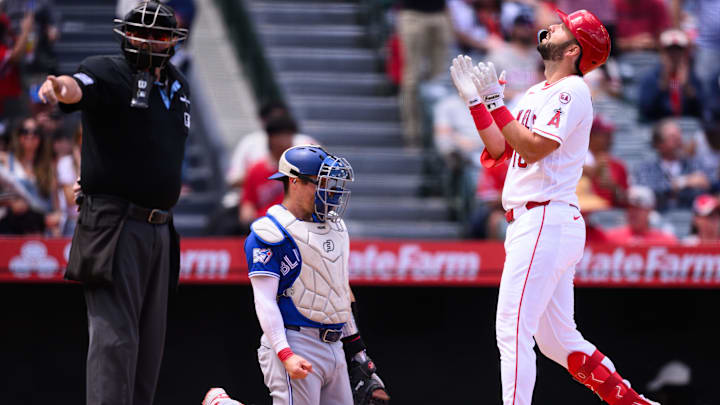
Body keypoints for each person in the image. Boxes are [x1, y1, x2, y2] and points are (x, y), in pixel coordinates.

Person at [449, 9, 660, 405]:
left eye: (563, 27)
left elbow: (534, 147)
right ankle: (632, 402)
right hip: (540, 220)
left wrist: (495, 100)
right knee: (557, 340)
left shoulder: (573, 90)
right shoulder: (534, 93)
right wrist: (478, 103)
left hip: (545, 215)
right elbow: (502, 148)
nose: (552, 27)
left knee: (512, 329)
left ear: (573, 49)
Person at [36, 2, 189, 404]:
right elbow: (77, 86)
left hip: (160, 228)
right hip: (116, 223)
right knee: (114, 344)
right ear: (126, 35)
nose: (150, 41)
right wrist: (58, 87)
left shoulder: (177, 86)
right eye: (142, 33)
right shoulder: (108, 69)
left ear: (173, 40)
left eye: (160, 34)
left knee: (148, 350)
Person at [239, 145, 389, 405]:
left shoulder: (335, 228)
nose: (329, 191)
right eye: (319, 183)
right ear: (294, 181)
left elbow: (339, 294)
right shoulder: (270, 231)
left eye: (330, 183)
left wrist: (359, 357)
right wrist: (285, 353)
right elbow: (264, 301)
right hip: (295, 339)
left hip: (335, 346)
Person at [398, 0, 452, 147]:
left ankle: (438, 133)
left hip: (440, 13)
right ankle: (412, 133)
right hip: (413, 13)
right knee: (412, 78)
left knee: (438, 80)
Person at [0, 115, 59, 235]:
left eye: (35, 132)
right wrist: (11, 203)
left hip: (40, 227)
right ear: (18, 136)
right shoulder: (6, 160)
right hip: (13, 227)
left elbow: (56, 207)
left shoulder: (48, 167)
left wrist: (55, 217)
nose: (30, 136)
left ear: (40, 137)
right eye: (25, 132)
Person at [632, 118, 709, 211]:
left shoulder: (693, 165)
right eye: (673, 138)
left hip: (689, 218)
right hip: (657, 218)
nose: (679, 141)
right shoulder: (646, 168)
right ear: (659, 144)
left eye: (679, 136)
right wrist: (682, 182)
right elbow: (647, 192)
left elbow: (705, 186)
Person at [238, 115, 295, 231]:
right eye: (283, 135)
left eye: (290, 135)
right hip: (263, 228)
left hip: (293, 226)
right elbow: (247, 204)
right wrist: (249, 224)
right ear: (271, 138)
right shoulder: (256, 169)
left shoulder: (299, 167)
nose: (288, 140)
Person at [637, 29, 702, 122]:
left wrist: (687, 87)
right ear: (662, 53)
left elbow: (701, 110)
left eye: (678, 51)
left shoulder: (692, 77)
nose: (674, 55)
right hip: (660, 126)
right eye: (670, 51)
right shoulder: (650, 78)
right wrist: (663, 84)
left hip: (687, 125)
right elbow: (646, 110)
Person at [582, 115, 628, 208]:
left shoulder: (618, 166)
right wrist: (594, 172)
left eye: (610, 135)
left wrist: (614, 188)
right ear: (590, 136)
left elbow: (625, 201)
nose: (610, 140)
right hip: (580, 212)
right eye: (605, 135)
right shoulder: (577, 160)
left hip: (608, 214)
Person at [604, 185, 678, 244]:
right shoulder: (610, 238)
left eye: (638, 208)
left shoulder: (666, 241)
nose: (633, 212)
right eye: (629, 207)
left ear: (650, 209)